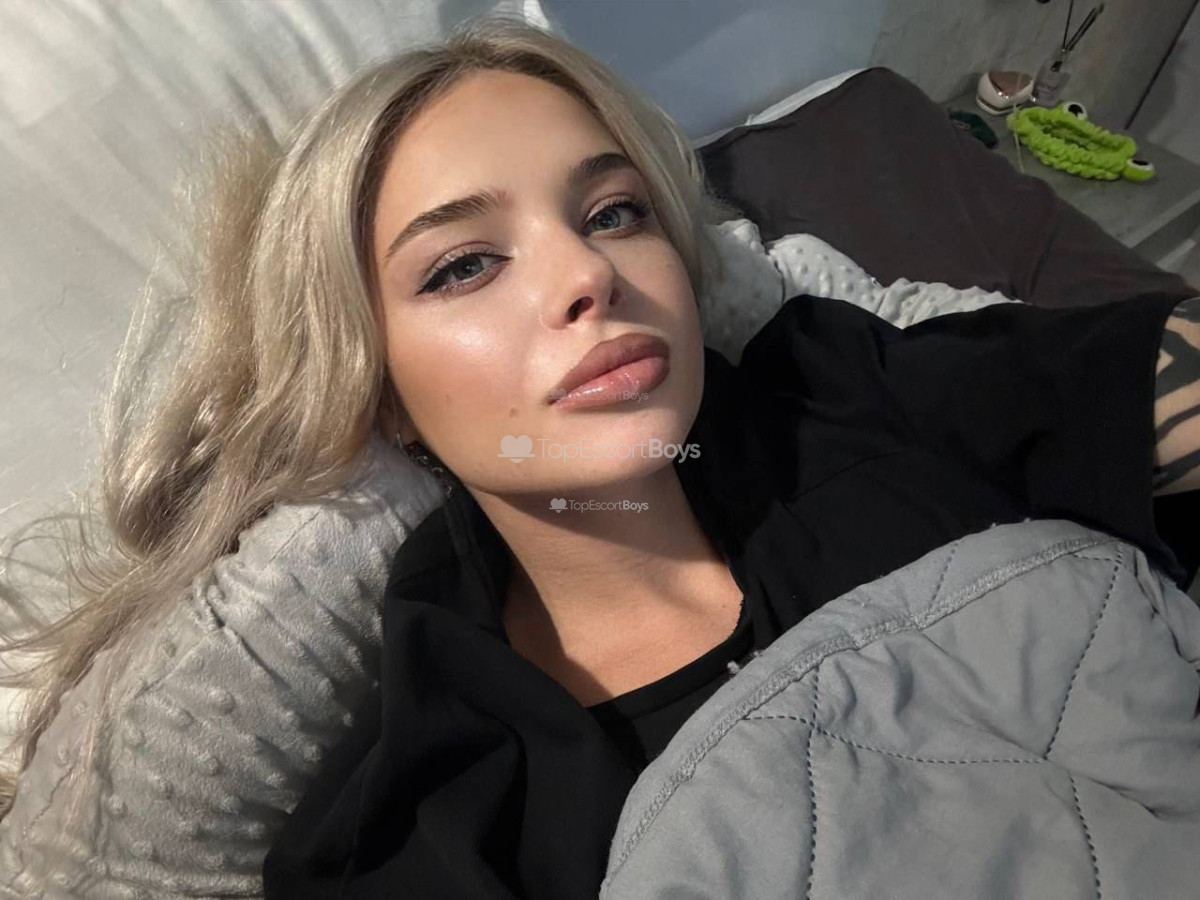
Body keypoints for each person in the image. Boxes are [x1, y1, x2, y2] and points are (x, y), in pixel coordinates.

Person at [0, 10, 1195, 898]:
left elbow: (1130, 380)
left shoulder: (847, 382)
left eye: (615, 212)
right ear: (384, 398)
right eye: (463, 265)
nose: (588, 274)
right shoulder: (432, 822)